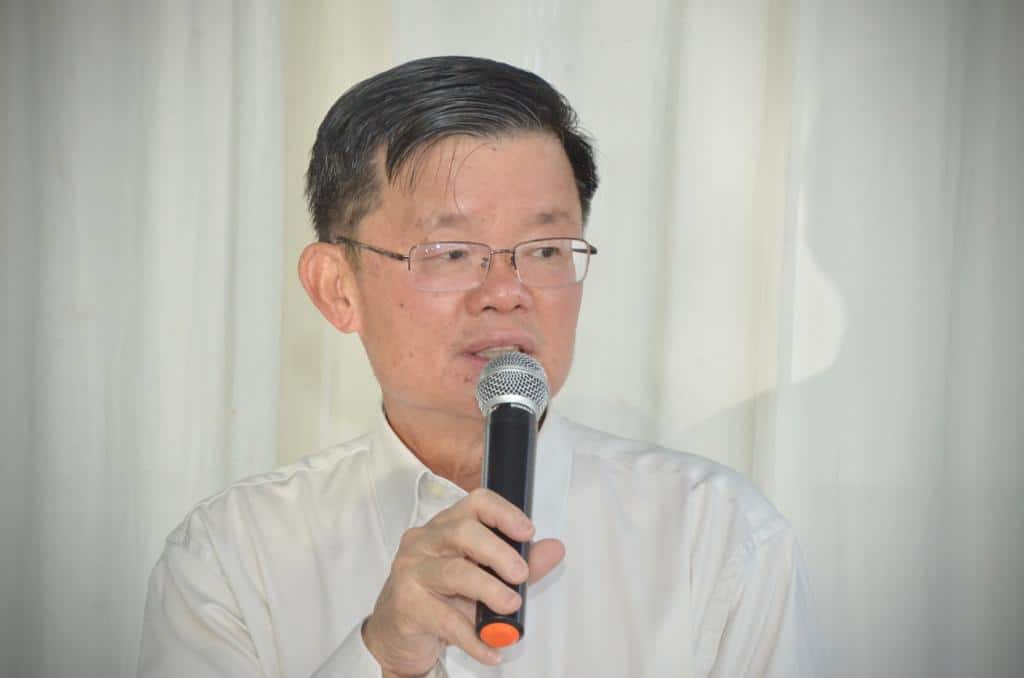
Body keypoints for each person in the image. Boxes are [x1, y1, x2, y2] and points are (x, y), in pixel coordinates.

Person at [139, 56, 822, 677]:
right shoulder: (234, 556)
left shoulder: (718, 537)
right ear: (337, 289)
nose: (506, 291)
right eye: (452, 253)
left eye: (546, 249)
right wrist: (382, 656)